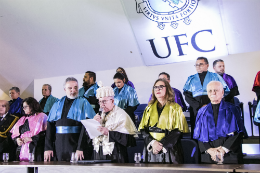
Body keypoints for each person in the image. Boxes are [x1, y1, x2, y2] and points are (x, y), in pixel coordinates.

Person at [77, 84, 137, 163]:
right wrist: (93, 124)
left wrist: (109, 133)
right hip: (98, 155)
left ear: (112, 101)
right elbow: (90, 138)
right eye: (100, 102)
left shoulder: (122, 115)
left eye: (104, 101)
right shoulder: (99, 113)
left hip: (116, 156)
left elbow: (130, 140)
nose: (102, 105)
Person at [44, 77, 96, 162]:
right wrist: (48, 148)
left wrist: (80, 147)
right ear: (65, 89)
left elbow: (87, 127)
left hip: (76, 145)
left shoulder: (84, 102)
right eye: (70, 88)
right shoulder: (57, 104)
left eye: (75, 88)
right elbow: (50, 127)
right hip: (59, 146)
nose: (73, 90)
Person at [139, 78, 189, 163]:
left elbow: (178, 131)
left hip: (169, 148)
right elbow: (143, 130)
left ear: (168, 89)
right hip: (152, 148)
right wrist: (153, 143)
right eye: (156, 87)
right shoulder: (148, 108)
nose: (158, 89)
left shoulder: (175, 108)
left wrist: (162, 145)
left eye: (161, 87)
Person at [193, 81, 245, 164]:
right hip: (209, 156)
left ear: (222, 92)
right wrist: (210, 150)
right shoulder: (201, 112)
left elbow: (238, 133)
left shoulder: (232, 109)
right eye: (210, 91)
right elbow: (199, 135)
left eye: (216, 90)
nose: (213, 93)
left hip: (229, 155)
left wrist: (223, 150)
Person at [183, 57, 230, 135]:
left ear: (207, 65)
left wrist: (212, 104)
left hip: (213, 105)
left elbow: (224, 90)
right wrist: (199, 106)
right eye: (196, 65)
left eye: (201, 64)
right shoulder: (191, 79)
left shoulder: (215, 76)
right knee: (198, 130)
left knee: (214, 128)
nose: (198, 66)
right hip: (196, 108)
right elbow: (187, 95)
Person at [11, 97, 47, 161]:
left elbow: (46, 134)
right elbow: (14, 134)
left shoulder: (42, 116)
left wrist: (31, 138)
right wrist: (17, 139)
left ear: (32, 106)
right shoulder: (23, 119)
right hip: (22, 149)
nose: (24, 109)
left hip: (36, 148)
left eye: (25, 107)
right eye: (23, 107)